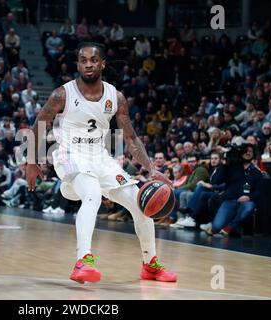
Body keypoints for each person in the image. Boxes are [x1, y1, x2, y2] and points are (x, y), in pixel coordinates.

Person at [26, 42, 177, 284]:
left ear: (102, 64)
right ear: (78, 64)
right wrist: (31, 162)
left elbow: (130, 137)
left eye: (93, 60)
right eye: (83, 60)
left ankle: (150, 265)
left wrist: (151, 168)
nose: (88, 64)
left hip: (100, 157)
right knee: (93, 194)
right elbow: (38, 125)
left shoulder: (115, 96)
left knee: (141, 204)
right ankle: (82, 260)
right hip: (69, 154)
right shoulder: (62, 94)